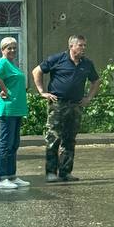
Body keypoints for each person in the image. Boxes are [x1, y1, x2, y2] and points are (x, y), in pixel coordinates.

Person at [32, 34, 100, 183]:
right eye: (80, 45)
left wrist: (88, 98)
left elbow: (96, 81)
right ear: (71, 46)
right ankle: (51, 172)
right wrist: (42, 92)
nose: (83, 48)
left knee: (70, 139)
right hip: (58, 104)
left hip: (76, 105)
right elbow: (36, 71)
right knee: (53, 138)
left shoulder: (87, 64)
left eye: (84, 45)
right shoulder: (57, 59)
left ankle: (65, 172)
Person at [0, 36, 29, 192]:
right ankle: (2, 178)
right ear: (2, 50)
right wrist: (4, 90)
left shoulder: (11, 64)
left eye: (14, 47)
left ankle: (12, 175)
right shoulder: (2, 62)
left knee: (14, 143)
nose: (12, 50)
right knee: (5, 144)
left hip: (16, 108)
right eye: (9, 48)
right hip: (7, 108)